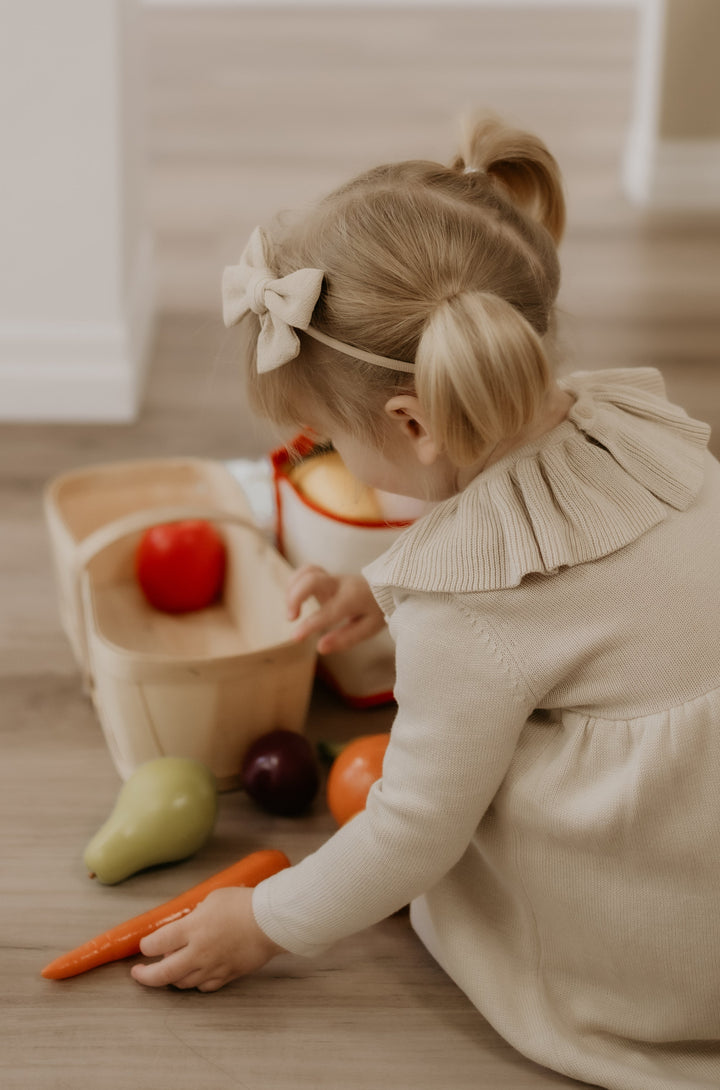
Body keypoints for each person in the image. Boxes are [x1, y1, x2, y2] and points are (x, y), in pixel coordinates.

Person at [131, 114, 720, 1090]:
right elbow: (575, 584)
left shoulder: (467, 617)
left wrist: (265, 922)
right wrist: (384, 587)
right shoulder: (622, 421)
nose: (326, 456)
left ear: (411, 423)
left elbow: (412, 829)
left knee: (454, 853)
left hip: (656, 928)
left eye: (324, 436)